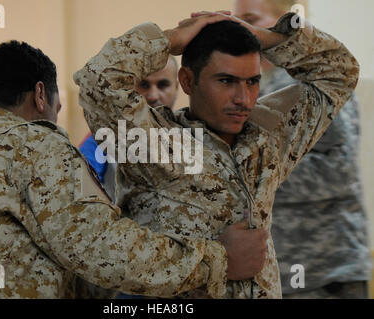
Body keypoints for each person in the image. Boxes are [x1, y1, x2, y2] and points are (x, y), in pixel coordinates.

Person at [74, 10, 359, 298]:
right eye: (226, 81)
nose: (243, 99)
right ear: (187, 81)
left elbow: (339, 72)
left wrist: (266, 38)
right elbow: (97, 79)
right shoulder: (155, 144)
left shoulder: (268, 135)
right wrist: (169, 39)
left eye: (252, 82)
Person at [0, 40, 234, 299]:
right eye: (57, 110)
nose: (153, 95)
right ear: (41, 95)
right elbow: (102, 248)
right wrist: (218, 260)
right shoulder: (34, 142)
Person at [234, 0, 372, 299]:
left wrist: (252, 174)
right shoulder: (259, 87)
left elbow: (337, 171)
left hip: (325, 270)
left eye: (251, 18)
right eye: (237, 19)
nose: (240, 29)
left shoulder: (317, 83)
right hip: (283, 271)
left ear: (287, 20)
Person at [79, 55, 179, 201]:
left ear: (177, 86)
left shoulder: (193, 136)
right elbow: (81, 192)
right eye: (144, 85)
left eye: (163, 85)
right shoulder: (103, 138)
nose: (153, 95)